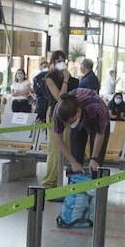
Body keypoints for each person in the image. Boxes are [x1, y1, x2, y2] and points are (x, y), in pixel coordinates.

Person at [40, 50, 78, 190]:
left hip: (68, 114)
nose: (61, 63)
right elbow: (60, 97)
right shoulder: (49, 78)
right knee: (55, 149)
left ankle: (66, 179)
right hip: (55, 114)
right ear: (53, 62)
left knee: (67, 148)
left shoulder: (70, 78)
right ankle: (50, 182)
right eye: (58, 60)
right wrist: (66, 80)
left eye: (63, 60)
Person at [50, 88, 111, 173]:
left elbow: (100, 134)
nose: (70, 124)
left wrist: (94, 158)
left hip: (96, 120)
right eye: (67, 123)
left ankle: (97, 183)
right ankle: (75, 182)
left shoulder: (97, 107)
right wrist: (73, 162)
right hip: (79, 120)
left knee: (96, 163)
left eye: (72, 121)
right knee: (76, 159)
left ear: (78, 112)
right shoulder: (58, 112)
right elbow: (58, 139)